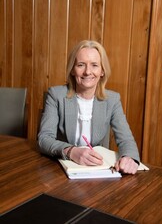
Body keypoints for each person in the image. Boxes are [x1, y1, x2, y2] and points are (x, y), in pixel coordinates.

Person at [38, 40, 140, 174]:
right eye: (81, 65)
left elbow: (126, 139)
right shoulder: (56, 95)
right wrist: (71, 151)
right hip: (59, 169)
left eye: (94, 65)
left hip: (98, 170)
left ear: (102, 71)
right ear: (73, 70)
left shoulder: (112, 99)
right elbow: (44, 138)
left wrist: (129, 157)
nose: (87, 72)